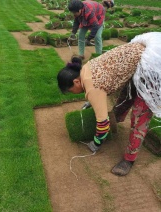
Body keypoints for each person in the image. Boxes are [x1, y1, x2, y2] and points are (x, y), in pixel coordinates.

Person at [57, 32, 161, 176]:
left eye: (71, 90)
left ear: (76, 81)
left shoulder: (92, 88)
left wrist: (96, 143)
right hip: (138, 57)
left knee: (139, 116)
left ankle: (129, 160)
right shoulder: (85, 69)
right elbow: (102, 84)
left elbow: (102, 124)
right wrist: (91, 101)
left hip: (152, 66)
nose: (73, 93)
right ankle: (116, 120)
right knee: (127, 94)